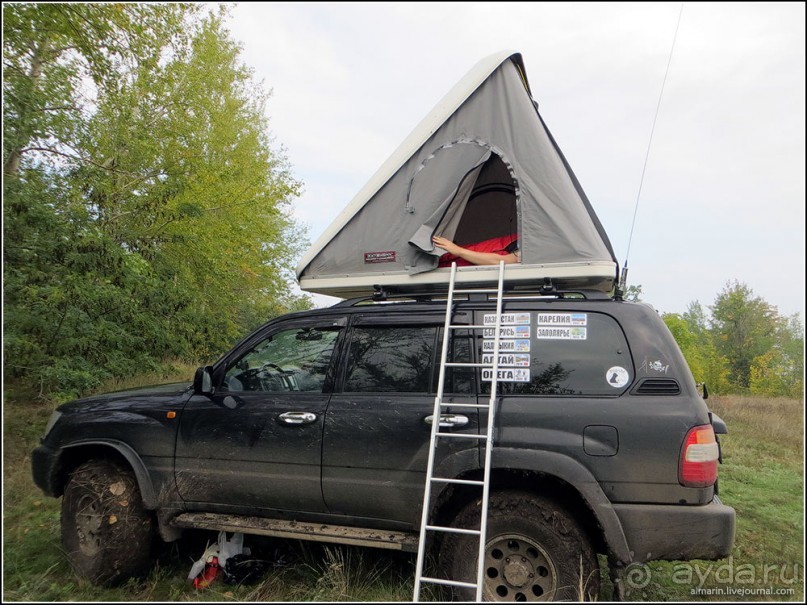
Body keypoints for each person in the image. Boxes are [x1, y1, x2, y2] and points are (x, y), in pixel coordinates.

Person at [432, 234, 520, 266]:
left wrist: (457, 250)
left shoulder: (530, 247)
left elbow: (500, 261)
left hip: (461, 261)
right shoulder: (526, 235)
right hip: (456, 254)